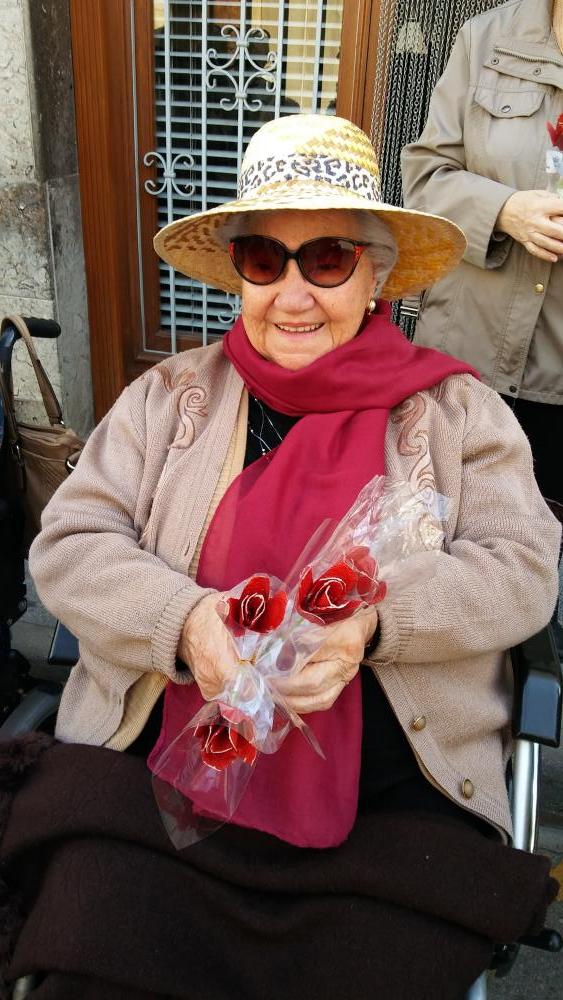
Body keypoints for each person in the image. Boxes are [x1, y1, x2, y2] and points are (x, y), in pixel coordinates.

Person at [1, 114, 559, 999]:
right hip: (155, 780)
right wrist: (186, 621)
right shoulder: (167, 398)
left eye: (327, 259)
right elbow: (71, 543)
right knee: (91, 956)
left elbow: (522, 570)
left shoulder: (459, 414)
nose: (292, 294)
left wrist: (375, 626)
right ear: (239, 275)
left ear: (374, 276)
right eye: (265, 259)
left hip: (388, 808)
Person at [401, 0, 563, 528]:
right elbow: (424, 179)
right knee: (433, 530)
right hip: (467, 353)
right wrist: (504, 210)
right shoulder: (485, 38)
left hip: (556, 381)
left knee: (540, 544)